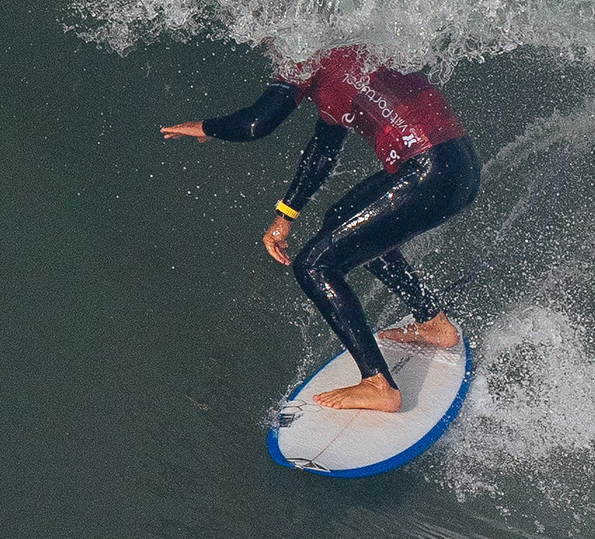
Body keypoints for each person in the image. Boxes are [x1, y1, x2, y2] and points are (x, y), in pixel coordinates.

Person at [161, 47, 479, 413]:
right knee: (343, 220)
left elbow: (256, 123)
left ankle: (378, 384)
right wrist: (285, 216)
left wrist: (205, 128)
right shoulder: (343, 54)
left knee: (313, 266)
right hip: (457, 165)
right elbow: (323, 150)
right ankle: (433, 324)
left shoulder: (302, 57)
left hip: (426, 172)